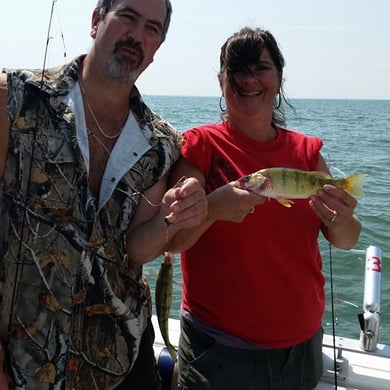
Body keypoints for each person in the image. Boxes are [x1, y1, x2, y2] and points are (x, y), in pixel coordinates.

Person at [0, 0, 207, 389]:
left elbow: (136, 250)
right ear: (96, 21)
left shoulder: (160, 143)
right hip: (25, 364)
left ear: (158, 48)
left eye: (152, 28)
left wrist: (175, 216)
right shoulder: (13, 99)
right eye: (127, 17)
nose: (137, 36)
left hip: (122, 363)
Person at [168, 27, 362, 389]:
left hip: (301, 350)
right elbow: (173, 240)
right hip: (219, 352)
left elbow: (348, 239)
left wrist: (343, 218)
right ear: (222, 79)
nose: (248, 79)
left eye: (261, 68)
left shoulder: (308, 152)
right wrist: (212, 208)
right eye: (237, 69)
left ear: (279, 76)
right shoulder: (200, 145)